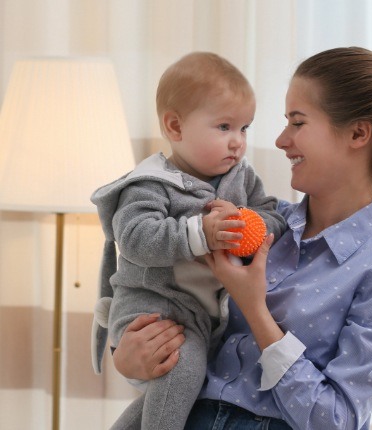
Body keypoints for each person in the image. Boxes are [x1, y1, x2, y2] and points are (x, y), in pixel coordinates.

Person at [110, 47, 372, 430]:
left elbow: (336, 420)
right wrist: (131, 361)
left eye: (297, 123)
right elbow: (185, 325)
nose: (282, 140)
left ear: (358, 133)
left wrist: (256, 311)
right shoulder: (261, 224)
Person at [90, 52, 286, 429]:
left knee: (186, 388)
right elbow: (134, 238)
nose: (237, 142)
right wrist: (202, 233)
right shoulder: (150, 184)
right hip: (153, 307)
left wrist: (251, 223)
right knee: (182, 370)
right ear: (176, 127)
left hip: (200, 316)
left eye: (244, 128)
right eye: (224, 126)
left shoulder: (241, 179)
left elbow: (274, 216)